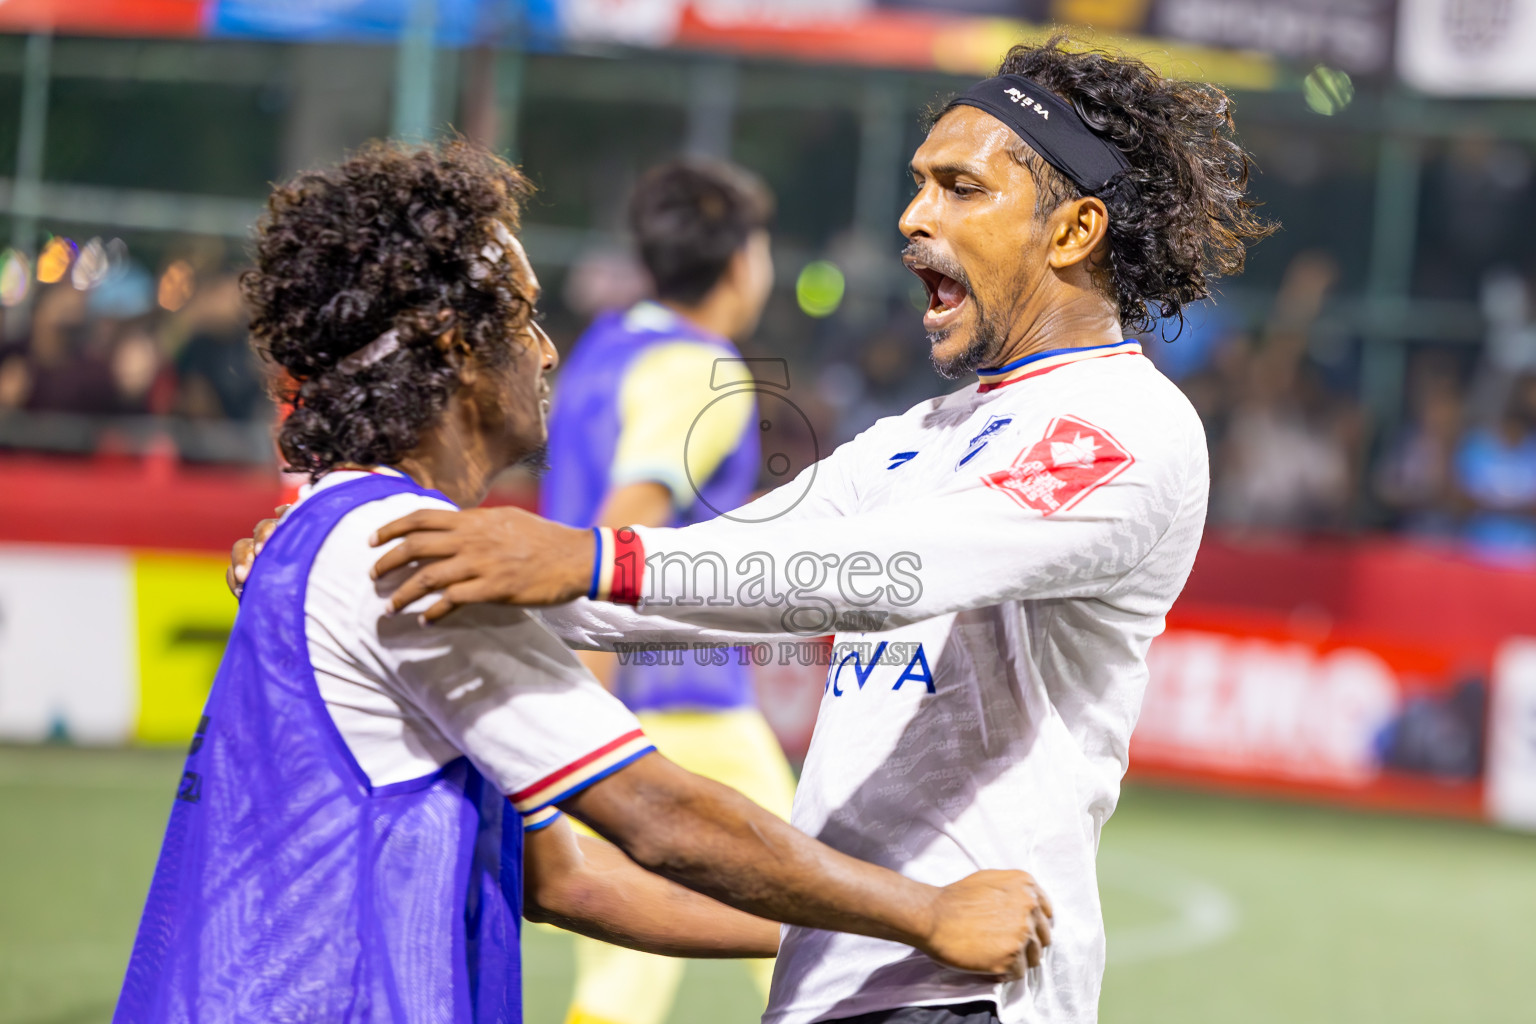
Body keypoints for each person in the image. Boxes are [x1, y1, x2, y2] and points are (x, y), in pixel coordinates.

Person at [357, 39, 1275, 1024]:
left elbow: (893, 572)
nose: (914, 216)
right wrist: (368, 575)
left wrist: (590, 555)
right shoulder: (916, 438)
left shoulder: (1127, 424)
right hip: (847, 985)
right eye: (919, 183)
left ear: (1074, 230)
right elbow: (711, 577)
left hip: (967, 994)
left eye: (961, 187)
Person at [122, 140, 1052, 1024]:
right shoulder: (405, 558)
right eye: (522, 318)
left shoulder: (332, 532)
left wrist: (860, 937)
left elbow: (570, 881)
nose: (547, 350)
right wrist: (926, 913)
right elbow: (658, 817)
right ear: (454, 346)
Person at [539, 158, 796, 1024]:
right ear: (741, 262)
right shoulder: (699, 368)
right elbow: (628, 524)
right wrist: (594, 694)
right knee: (819, 926)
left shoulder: (604, 347)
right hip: (679, 699)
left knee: (621, 977)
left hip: (604, 692)